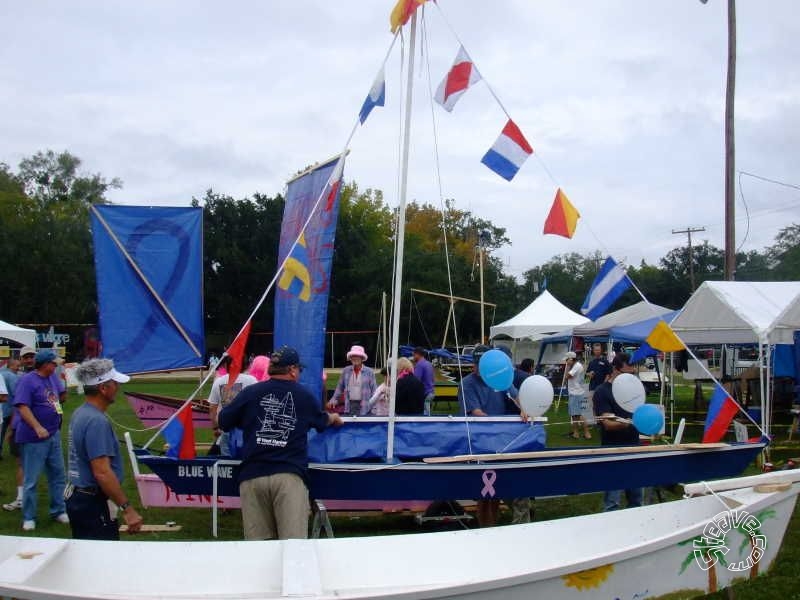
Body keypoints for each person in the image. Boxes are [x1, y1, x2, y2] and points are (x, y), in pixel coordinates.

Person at [219, 346, 343, 540]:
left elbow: (224, 420)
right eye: (299, 370)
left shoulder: (250, 392)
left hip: (252, 476)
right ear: (292, 369)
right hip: (288, 476)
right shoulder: (303, 395)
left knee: (258, 548)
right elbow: (322, 421)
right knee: (293, 546)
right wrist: (334, 418)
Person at [66, 358, 143, 539]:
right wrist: (128, 509)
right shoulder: (97, 421)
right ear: (103, 388)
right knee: (100, 560)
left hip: (79, 497)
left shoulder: (80, 413)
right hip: (92, 502)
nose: (117, 387)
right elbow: (102, 472)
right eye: (114, 383)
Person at [458, 345, 530, 526]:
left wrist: (525, 409)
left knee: (496, 491)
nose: (477, 368)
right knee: (484, 493)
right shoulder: (467, 385)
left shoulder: (498, 377)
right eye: (475, 364)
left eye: (480, 364)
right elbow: (476, 412)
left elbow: (516, 396)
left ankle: (494, 526)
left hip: (501, 442)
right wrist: (496, 423)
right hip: (478, 442)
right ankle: (486, 528)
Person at [13, 349, 69, 530]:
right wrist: (37, 426)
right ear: (45, 364)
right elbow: (22, 406)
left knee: (58, 474)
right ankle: (29, 517)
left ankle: (59, 510)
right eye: (54, 363)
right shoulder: (27, 380)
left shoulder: (53, 378)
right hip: (33, 437)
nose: (56, 366)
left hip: (53, 434)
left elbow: (60, 397)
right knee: (32, 478)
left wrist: (64, 390)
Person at [593, 352, 642, 511]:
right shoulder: (602, 391)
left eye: (633, 373)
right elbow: (607, 423)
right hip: (612, 450)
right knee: (612, 501)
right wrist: (630, 423)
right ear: (615, 369)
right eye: (627, 373)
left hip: (633, 447)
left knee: (636, 499)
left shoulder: (634, 390)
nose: (632, 376)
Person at [3, 346, 36, 512]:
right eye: (26, 357)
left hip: (31, 428)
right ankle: (23, 498)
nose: (29, 360)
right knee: (22, 463)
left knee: (27, 464)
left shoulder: (36, 378)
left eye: (32, 356)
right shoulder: (21, 378)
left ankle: (25, 500)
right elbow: (19, 405)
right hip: (19, 425)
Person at [209, 355, 258, 456]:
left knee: (227, 465)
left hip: (226, 429)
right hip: (247, 429)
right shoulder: (252, 380)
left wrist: (215, 427)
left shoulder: (219, 381)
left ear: (226, 365)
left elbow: (212, 409)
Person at [328, 345, 377, 416]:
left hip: (365, 406)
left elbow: (374, 391)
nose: (355, 358)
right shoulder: (346, 370)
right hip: (349, 406)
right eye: (353, 356)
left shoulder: (369, 372)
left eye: (357, 356)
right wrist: (333, 399)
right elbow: (339, 388)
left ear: (362, 358)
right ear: (350, 358)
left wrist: (374, 408)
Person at [565, 352, 591, 440]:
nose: (566, 361)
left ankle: (587, 433)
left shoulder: (576, 366)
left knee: (578, 414)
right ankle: (576, 433)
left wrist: (568, 366)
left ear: (571, 359)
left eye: (567, 360)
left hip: (576, 393)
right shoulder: (577, 365)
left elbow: (567, 376)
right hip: (575, 392)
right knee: (574, 414)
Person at [0, 358, 20, 458]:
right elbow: (16, 393)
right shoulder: (12, 376)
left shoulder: (1, 373)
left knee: (1, 433)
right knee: (14, 430)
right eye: (17, 366)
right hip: (10, 410)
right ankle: (15, 451)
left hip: (2, 409)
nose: (18, 368)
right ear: (11, 366)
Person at [586, 343, 611, 410]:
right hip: (592, 387)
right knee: (593, 406)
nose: (597, 351)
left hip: (602, 387)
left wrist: (604, 385)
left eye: (598, 350)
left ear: (601, 350)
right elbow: (587, 373)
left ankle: (601, 420)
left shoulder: (605, 361)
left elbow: (608, 374)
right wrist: (589, 374)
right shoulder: (591, 362)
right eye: (596, 350)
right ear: (593, 351)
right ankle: (596, 420)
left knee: (602, 406)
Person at [412, 347, 435, 415]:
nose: (413, 357)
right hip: (431, 392)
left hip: (425, 394)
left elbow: (415, 380)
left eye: (414, 355)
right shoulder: (429, 364)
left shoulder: (419, 365)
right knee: (427, 414)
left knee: (424, 416)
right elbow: (433, 379)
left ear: (418, 354)